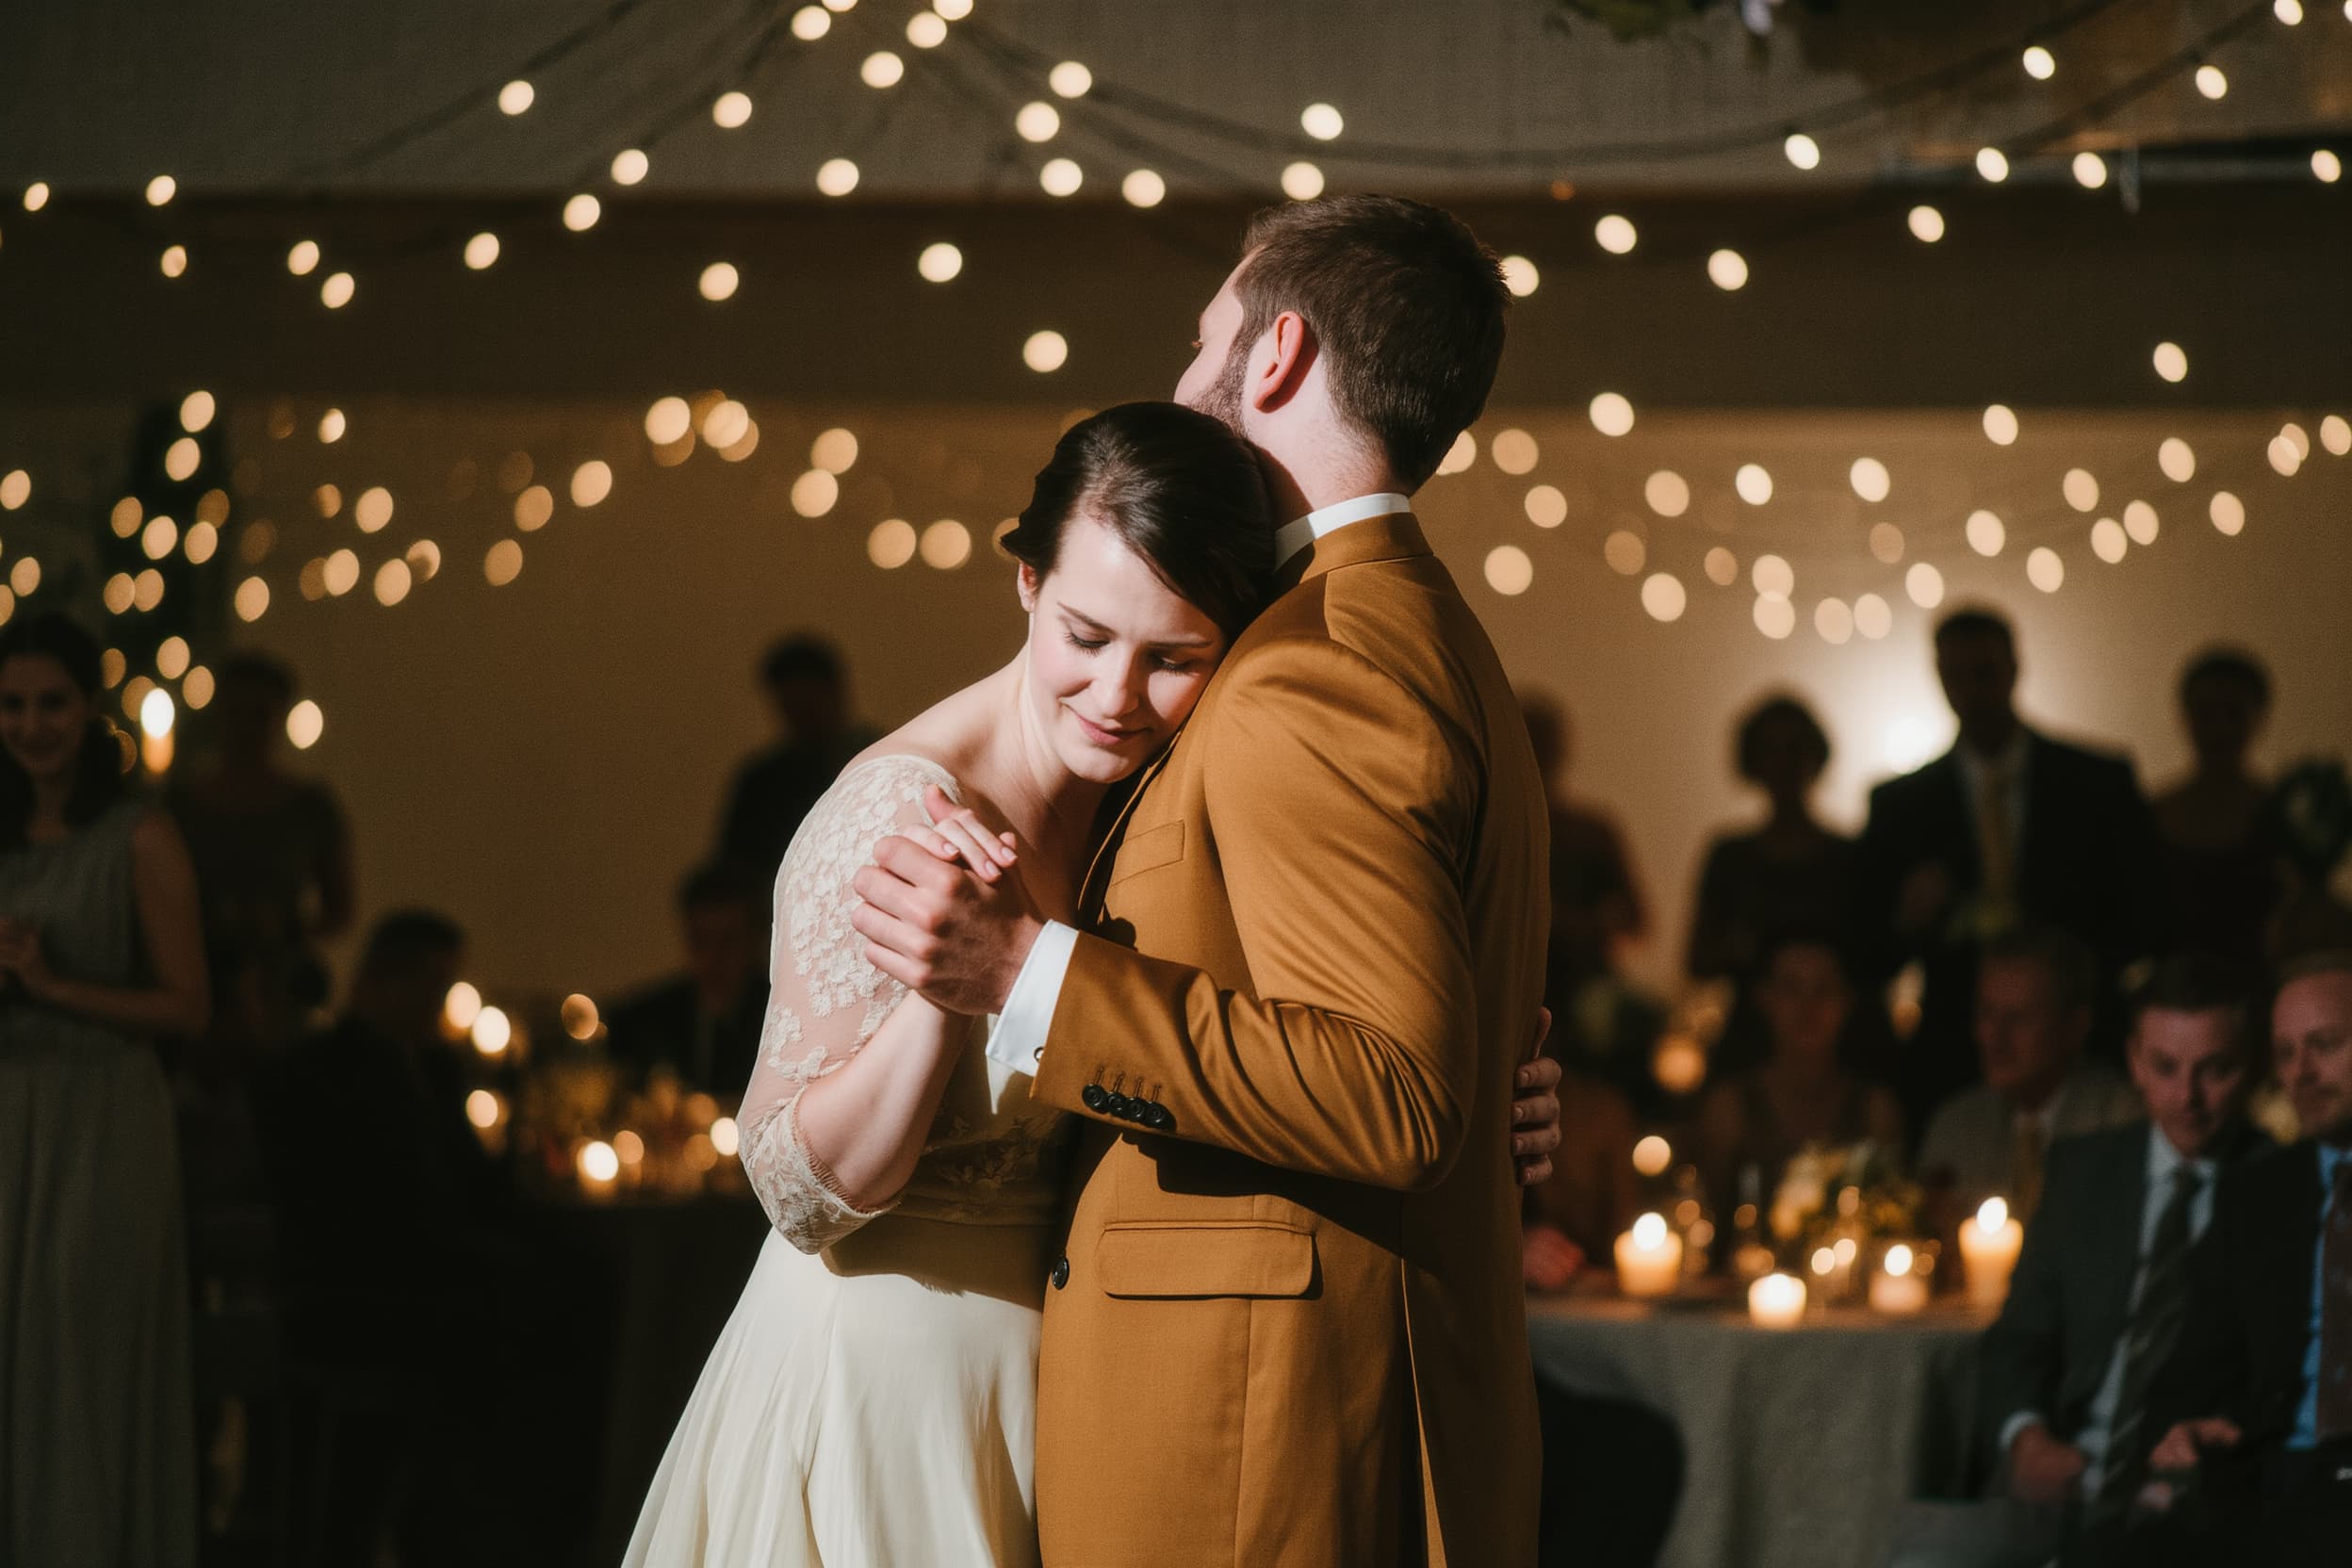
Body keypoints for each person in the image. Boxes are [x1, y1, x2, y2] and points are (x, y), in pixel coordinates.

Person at [628, 393, 1566, 1568]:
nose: (1116, 696)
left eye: (1173, 657)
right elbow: (798, 1191)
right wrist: (944, 987)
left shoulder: (1152, 793)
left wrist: (1478, 1080)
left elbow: (1268, 1031)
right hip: (880, 1394)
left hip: (1074, 1408)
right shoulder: (898, 814)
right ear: (1027, 585)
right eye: (1083, 634)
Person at [852, 195, 1557, 1567]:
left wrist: (1023, 973)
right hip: (1349, 1398)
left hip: (1259, 1440)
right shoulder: (1421, 628)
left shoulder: (1320, 663)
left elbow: (1395, 1092)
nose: (1185, 380)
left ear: (1279, 354)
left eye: (1204, 339)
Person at [0, 612, 208, 1567]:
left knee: (79, 1357)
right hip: (12, 1118)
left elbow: (188, 1005)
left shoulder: (140, 834)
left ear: (89, 710)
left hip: (102, 1123)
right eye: (13, 703)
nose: (32, 723)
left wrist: (51, 985)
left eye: (52, 702)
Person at [1951, 954, 2269, 1568]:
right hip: (2065, 1476)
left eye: (2215, 1070)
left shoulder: (2274, 1181)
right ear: (2133, 1064)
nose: (2189, 1097)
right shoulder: (2085, 1171)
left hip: (2189, 1495)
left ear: (2250, 1069)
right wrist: (2026, 1439)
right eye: (2166, 1068)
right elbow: (2018, 1340)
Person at [1856, 607, 2164, 1129]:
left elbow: (2147, 914)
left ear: (2014, 669)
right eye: (1955, 675)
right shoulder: (1902, 805)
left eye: (1984, 672)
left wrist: (2064, 983)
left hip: (2079, 1038)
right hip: (1956, 1048)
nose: (1971, 691)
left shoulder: (2096, 782)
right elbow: (1867, 953)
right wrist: (1909, 919)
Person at [2134, 953, 2352, 1564]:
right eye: (2285, 1054)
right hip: (2279, 1474)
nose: (2301, 1073)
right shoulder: (2258, 1195)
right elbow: (2187, 1375)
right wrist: (2186, 1429)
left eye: (2325, 1045)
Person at [168, 651, 353, 1024]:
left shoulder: (309, 807)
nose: (247, 728)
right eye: (236, 713)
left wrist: (286, 933)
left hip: (279, 988)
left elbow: (340, 906)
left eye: (260, 714)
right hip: (196, 976)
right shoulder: (182, 804)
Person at [1916, 925, 2142, 1227]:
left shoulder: (2120, 1121)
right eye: (1987, 1013)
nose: (1996, 1038)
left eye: (2020, 1018)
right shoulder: (1955, 1129)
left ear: (2075, 1025)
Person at [1692, 927, 1904, 1216]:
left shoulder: (1875, 1110)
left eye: (1823, 989)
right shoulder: (1729, 1109)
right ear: (1764, 998)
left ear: (1846, 1000)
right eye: (1791, 988)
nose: (1808, 1007)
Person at [1688, 694, 1862, 993]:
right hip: (1756, 1029)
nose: (1783, 764)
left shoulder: (1850, 857)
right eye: (1771, 751)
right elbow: (1697, 960)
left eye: (1793, 750)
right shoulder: (1730, 857)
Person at [712, 634, 881, 880]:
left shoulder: (877, 761)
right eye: (791, 707)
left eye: (809, 706)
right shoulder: (761, 782)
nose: (802, 719)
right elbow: (737, 868)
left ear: (836, 692)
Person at [2151, 649, 2280, 969]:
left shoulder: (2281, 818)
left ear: (2258, 717)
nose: (2219, 728)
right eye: (2206, 711)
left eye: (2233, 712)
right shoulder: (2152, 814)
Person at [603, 858, 770, 1098]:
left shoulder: (781, 1018)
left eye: (728, 941)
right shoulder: (643, 1022)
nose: (714, 958)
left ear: (756, 939)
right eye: (701, 941)